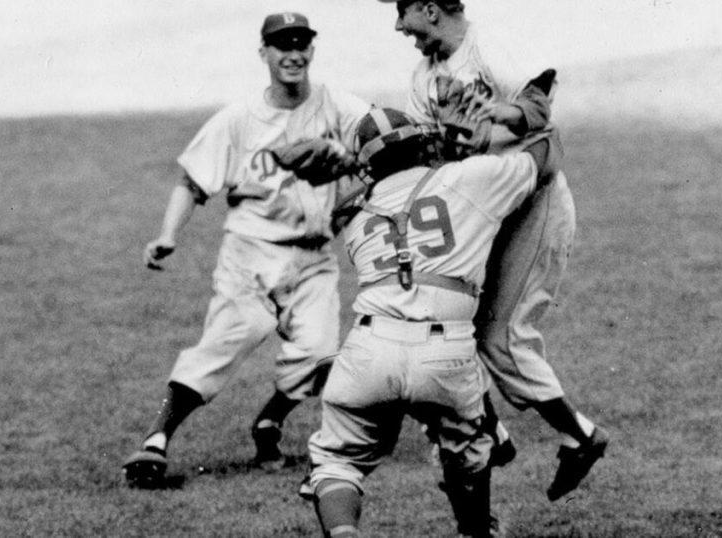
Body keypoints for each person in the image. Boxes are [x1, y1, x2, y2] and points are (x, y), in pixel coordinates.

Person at [121, 12, 371, 488]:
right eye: (282, 45)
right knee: (227, 341)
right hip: (250, 253)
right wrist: (168, 234)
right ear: (265, 54)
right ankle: (155, 440)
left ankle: (269, 420)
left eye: (301, 43)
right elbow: (192, 182)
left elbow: (377, 135)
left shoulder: (337, 105)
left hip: (314, 257)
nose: (293, 53)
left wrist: (352, 160)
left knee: (320, 355)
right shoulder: (240, 118)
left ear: (312, 50)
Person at [289, 106, 561, 538]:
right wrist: (525, 111)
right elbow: (546, 154)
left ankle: (344, 533)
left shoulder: (355, 217)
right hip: (445, 352)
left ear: (369, 165)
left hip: (368, 347)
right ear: (423, 143)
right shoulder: (471, 178)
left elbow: (354, 200)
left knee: (337, 462)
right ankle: (475, 532)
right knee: (467, 455)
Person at [379, 0, 609, 501]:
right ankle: (493, 434)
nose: (398, 25)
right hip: (484, 211)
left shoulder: (491, 44)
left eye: (403, 11)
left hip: (534, 201)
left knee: (502, 338)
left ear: (430, 8)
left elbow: (538, 109)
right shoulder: (423, 76)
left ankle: (581, 437)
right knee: (445, 326)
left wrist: (500, 114)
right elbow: (430, 154)